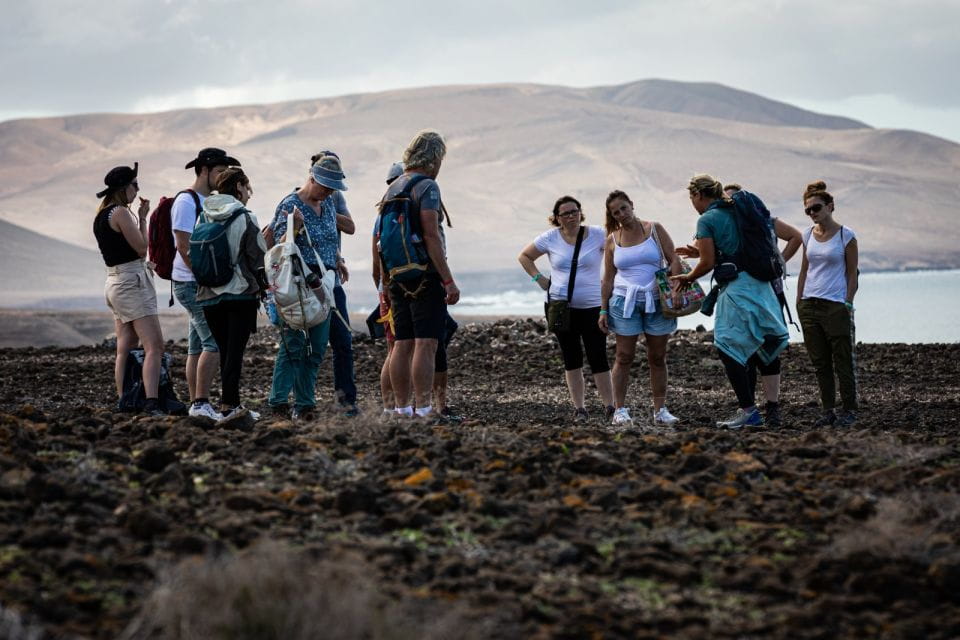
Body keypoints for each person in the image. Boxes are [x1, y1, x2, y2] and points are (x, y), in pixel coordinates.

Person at [672, 174, 789, 429]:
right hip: (762, 287)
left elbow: (707, 263)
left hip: (737, 290)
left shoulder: (707, 219)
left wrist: (688, 277)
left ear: (698, 195)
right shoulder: (740, 212)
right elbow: (729, 249)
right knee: (761, 343)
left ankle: (749, 411)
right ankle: (771, 409)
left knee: (725, 345)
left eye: (691, 198)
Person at [703, 182, 803, 427]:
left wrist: (779, 261)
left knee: (744, 348)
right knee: (767, 348)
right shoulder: (763, 221)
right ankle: (772, 409)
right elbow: (796, 236)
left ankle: (754, 409)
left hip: (750, 291)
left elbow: (795, 237)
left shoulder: (743, 222)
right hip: (770, 289)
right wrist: (778, 264)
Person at [379, 132, 460, 420]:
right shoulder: (427, 186)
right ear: (434, 157)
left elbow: (381, 239)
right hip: (425, 274)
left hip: (398, 275)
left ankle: (401, 408)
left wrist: (386, 283)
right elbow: (430, 235)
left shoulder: (393, 187)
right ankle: (424, 408)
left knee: (402, 343)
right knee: (427, 342)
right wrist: (447, 279)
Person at [518, 195, 614, 423]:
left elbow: (619, 250)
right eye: (566, 214)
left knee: (598, 355)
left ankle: (610, 406)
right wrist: (538, 279)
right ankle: (579, 408)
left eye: (575, 211)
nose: (571, 217)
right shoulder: (550, 238)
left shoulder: (598, 234)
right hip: (561, 307)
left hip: (593, 307)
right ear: (556, 218)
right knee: (571, 357)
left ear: (581, 213)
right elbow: (524, 256)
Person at [266, 155, 346, 420]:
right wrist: (295, 227)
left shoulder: (329, 204)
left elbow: (330, 239)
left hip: (324, 283)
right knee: (293, 344)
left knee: (318, 346)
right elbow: (280, 247)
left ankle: (305, 403)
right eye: (325, 186)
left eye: (332, 188)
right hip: (298, 284)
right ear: (311, 178)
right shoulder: (289, 205)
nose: (329, 192)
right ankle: (278, 403)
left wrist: (337, 260)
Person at [598, 190, 681, 428]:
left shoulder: (654, 229)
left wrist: (675, 289)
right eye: (616, 212)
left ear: (632, 205)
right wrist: (603, 311)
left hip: (657, 299)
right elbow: (608, 279)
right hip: (625, 302)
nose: (622, 214)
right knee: (623, 357)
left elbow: (673, 258)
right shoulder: (612, 239)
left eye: (624, 208)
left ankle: (660, 410)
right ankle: (620, 410)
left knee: (657, 357)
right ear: (612, 216)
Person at [172, 147, 241, 420]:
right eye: (220, 171)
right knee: (214, 343)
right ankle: (201, 403)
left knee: (197, 346)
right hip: (192, 282)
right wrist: (205, 279)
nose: (223, 176)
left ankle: (197, 403)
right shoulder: (187, 202)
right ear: (203, 170)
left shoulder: (206, 200)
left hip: (196, 282)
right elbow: (183, 243)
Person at [92, 163, 165, 416]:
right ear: (124, 188)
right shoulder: (121, 213)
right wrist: (143, 218)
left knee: (125, 345)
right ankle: (152, 401)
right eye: (135, 185)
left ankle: (125, 399)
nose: (138, 190)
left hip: (115, 282)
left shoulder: (101, 215)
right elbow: (141, 248)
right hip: (131, 282)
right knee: (154, 345)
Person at [195, 168, 267, 421]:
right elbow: (258, 257)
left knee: (225, 350)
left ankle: (226, 404)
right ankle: (230, 406)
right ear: (238, 187)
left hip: (208, 295)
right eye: (248, 188)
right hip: (240, 294)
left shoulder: (203, 215)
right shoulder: (246, 217)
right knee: (234, 354)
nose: (249, 194)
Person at [796, 180, 859, 427]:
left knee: (843, 358)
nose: (813, 213)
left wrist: (848, 302)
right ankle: (828, 411)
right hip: (809, 305)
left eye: (817, 208)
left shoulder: (846, 235)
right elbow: (804, 270)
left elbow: (852, 273)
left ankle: (850, 410)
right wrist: (800, 300)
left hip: (835, 305)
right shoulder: (807, 235)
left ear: (831, 206)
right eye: (808, 210)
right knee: (820, 361)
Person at [310, 151, 358, 417]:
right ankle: (303, 400)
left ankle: (347, 401)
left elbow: (350, 226)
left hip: (333, 279)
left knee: (343, 341)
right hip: (308, 282)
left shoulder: (335, 197)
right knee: (310, 344)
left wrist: (326, 210)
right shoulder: (299, 199)